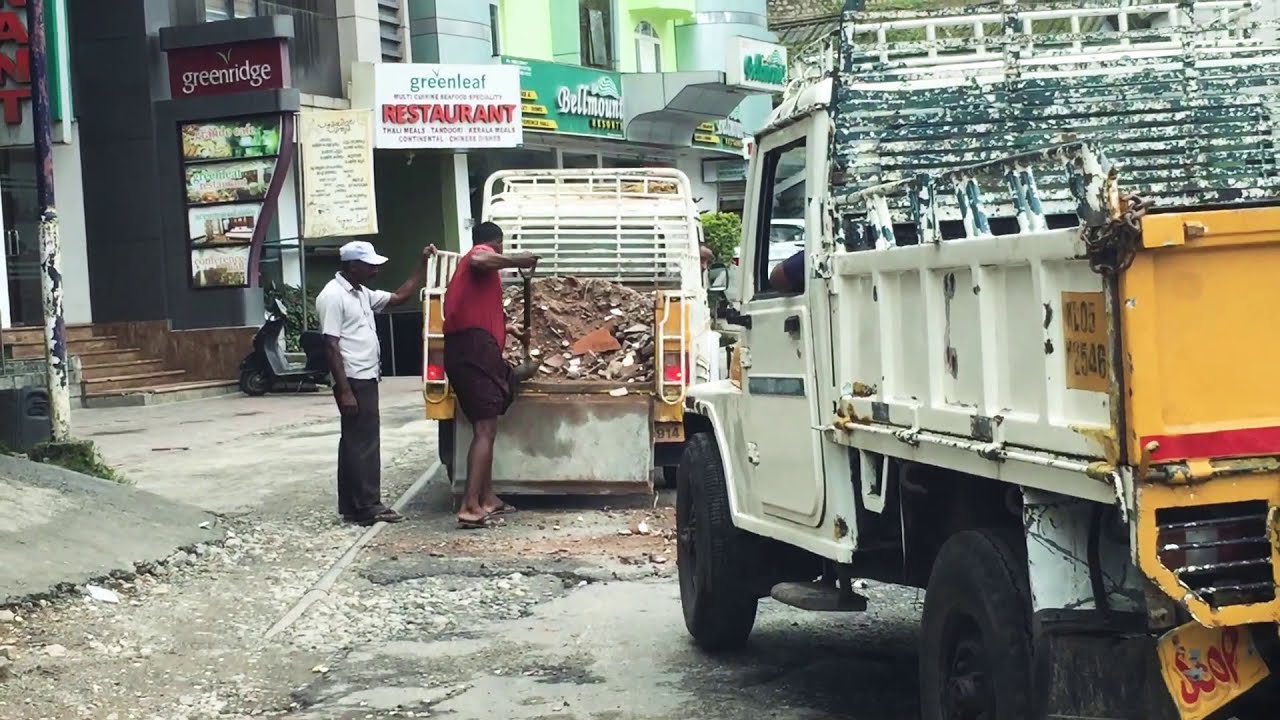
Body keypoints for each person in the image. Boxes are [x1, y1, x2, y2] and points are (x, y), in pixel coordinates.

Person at [317, 240, 431, 526]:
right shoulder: (333, 296)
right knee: (363, 443)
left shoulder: (361, 293)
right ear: (352, 265)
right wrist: (344, 390)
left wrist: (422, 265)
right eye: (370, 265)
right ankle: (368, 505)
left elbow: (398, 298)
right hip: (354, 378)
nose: (375, 271)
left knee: (356, 442)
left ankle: (354, 506)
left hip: (365, 375)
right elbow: (330, 345)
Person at [442, 222, 539, 529]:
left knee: (487, 427)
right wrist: (517, 261)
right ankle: (470, 506)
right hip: (473, 350)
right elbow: (479, 259)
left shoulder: (470, 277)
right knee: (485, 429)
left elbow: (473, 309)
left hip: (469, 348)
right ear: (496, 243)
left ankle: (487, 497)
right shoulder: (480, 254)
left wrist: (504, 329)